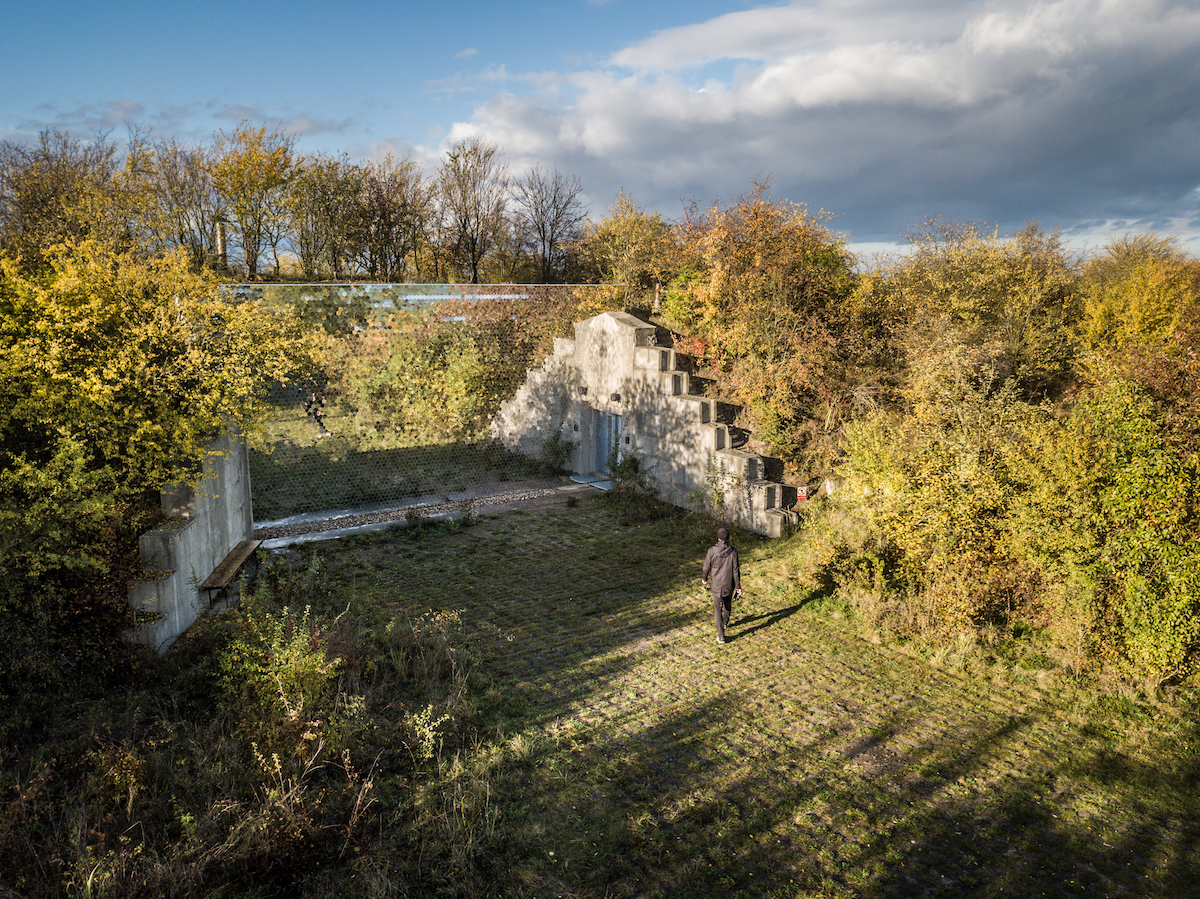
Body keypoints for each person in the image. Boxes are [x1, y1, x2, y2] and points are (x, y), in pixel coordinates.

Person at [702, 527, 742, 644]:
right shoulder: (733, 552)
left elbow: (706, 567)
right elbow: (736, 570)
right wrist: (738, 586)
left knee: (717, 609)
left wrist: (704, 578)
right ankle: (725, 622)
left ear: (718, 537)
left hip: (716, 584)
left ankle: (721, 636)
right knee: (727, 603)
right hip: (729, 583)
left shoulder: (712, 551)